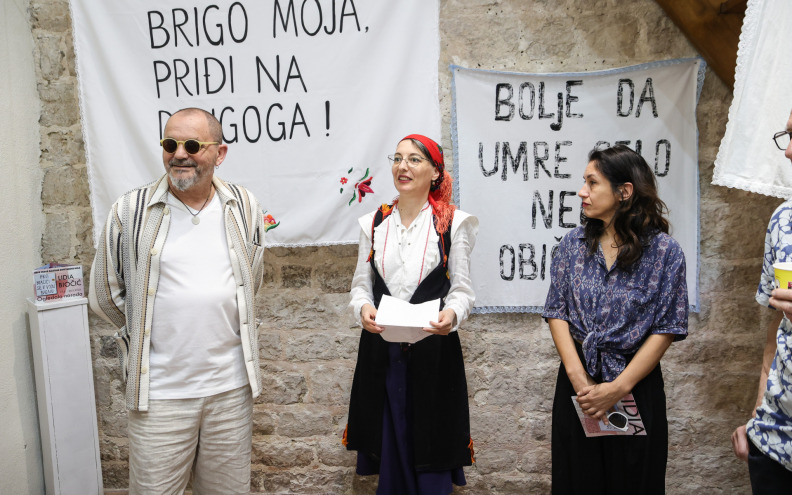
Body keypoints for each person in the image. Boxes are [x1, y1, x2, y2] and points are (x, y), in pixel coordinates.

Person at [89, 107, 270, 494]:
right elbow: (104, 293)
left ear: (220, 153)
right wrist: (143, 325)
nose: (179, 154)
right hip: (160, 395)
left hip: (230, 391)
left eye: (192, 145)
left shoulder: (245, 206)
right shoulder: (130, 210)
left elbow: (250, 283)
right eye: (170, 144)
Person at [543, 145, 689, 494]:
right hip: (579, 386)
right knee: (577, 481)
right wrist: (580, 380)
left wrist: (617, 388)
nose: (582, 192)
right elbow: (557, 311)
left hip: (635, 384)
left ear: (624, 192)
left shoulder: (665, 253)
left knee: (634, 482)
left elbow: (666, 328)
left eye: (592, 183)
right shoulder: (572, 245)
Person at [343, 134, 478, 494]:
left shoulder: (454, 223)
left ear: (435, 172)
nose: (403, 166)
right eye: (398, 158)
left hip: (434, 354)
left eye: (415, 159)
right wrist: (364, 309)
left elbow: (462, 291)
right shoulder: (373, 223)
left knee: (432, 450)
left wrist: (451, 316)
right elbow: (360, 286)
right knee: (391, 448)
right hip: (383, 355)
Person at [731, 109, 792, 493]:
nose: (787, 152)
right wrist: (756, 414)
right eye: (788, 136)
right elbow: (776, 325)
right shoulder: (783, 220)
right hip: (773, 443)